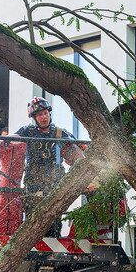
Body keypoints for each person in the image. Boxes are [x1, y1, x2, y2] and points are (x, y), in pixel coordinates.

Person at [14, 97, 83, 237]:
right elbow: (12, 138)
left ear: (49, 113)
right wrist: (0, 142)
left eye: (45, 113)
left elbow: (78, 148)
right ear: (34, 117)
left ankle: (53, 240)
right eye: (40, 114)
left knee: (54, 218)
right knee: (33, 215)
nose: (44, 117)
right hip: (34, 181)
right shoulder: (28, 131)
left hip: (55, 181)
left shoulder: (59, 133)